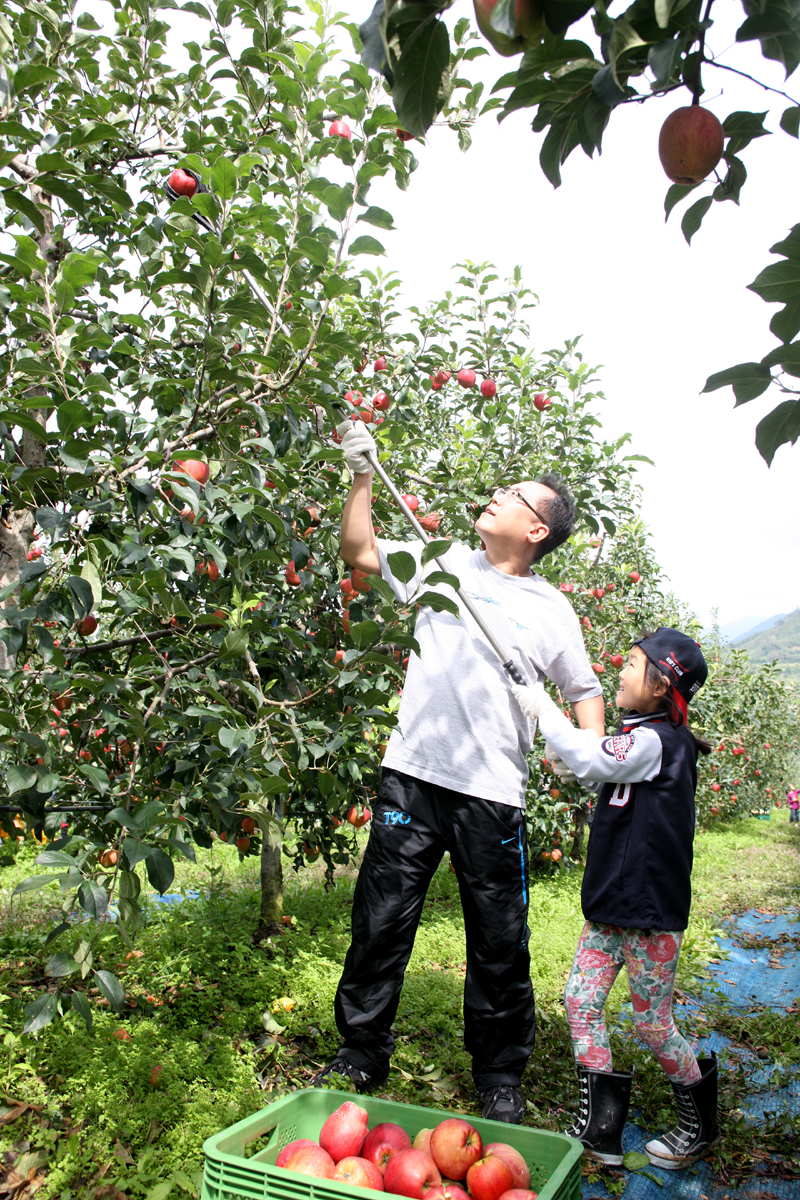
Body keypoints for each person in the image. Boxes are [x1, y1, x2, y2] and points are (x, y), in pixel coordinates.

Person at [311, 417, 604, 1123]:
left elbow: (584, 692)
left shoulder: (552, 609)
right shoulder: (440, 561)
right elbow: (359, 550)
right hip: (412, 774)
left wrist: (589, 757)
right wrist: (360, 475)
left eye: (513, 496)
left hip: (492, 793)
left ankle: (500, 1071)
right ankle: (360, 1049)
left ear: (538, 532)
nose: (495, 496)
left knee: (499, 937)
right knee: (381, 919)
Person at [513, 628, 719, 1170]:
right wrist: (570, 756)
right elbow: (600, 766)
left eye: (632, 664)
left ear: (660, 685)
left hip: (648, 913)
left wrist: (545, 712)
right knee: (580, 1002)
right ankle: (600, 1130)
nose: (620, 671)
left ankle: (699, 1126)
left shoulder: (659, 742)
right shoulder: (640, 734)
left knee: (653, 1023)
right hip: (610, 905)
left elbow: (600, 760)